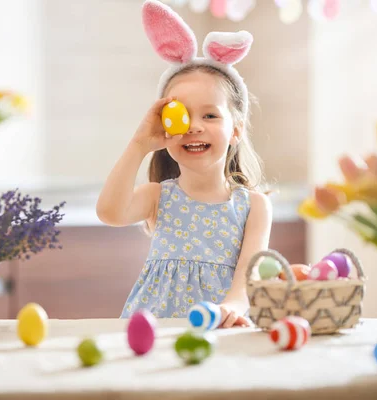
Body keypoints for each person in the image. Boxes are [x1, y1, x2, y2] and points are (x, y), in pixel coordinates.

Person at [96, 0, 272, 328]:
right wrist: (139, 144)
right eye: (181, 115)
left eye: (209, 115)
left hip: (217, 328)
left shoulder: (254, 207)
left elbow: (247, 283)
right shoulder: (157, 196)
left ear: (235, 129)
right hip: (151, 330)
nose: (193, 126)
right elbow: (109, 212)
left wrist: (225, 311)